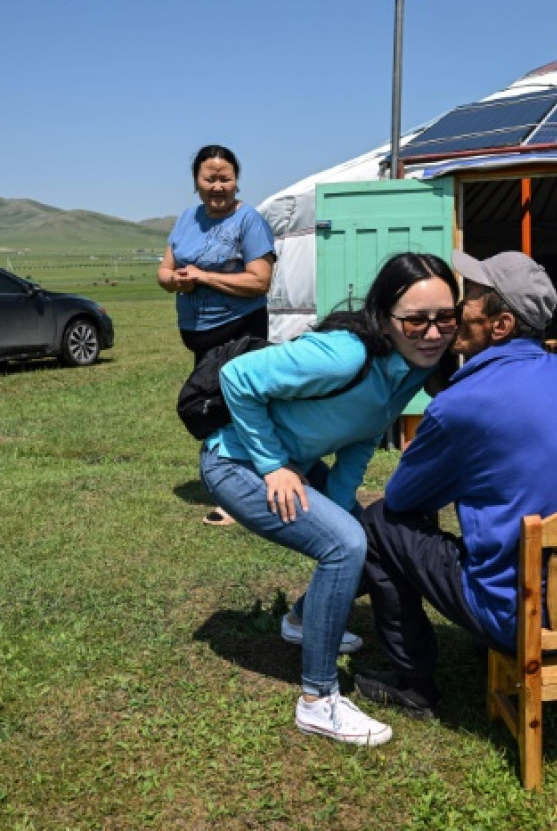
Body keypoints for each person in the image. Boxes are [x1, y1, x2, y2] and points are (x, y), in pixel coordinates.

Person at [199, 252, 461, 746]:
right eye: (416, 320)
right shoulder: (345, 354)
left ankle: (301, 619)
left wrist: (341, 506)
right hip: (235, 462)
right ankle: (318, 700)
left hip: (297, 465)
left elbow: (361, 439)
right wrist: (273, 464)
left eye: (445, 318)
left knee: (368, 537)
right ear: (385, 317)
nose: (433, 332)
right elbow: (239, 378)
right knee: (344, 545)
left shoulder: (407, 371)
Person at [351, 250, 557, 717]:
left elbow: (403, 498)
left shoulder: (463, 404)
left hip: (519, 616)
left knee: (379, 523)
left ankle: (415, 686)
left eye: (472, 296)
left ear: (501, 325)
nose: (458, 306)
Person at [158, 145, 276, 525]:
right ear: (196, 181)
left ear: (236, 179)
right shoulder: (186, 219)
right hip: (201, 334)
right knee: (213, 408)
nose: (218, 186)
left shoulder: (249, 221)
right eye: (210, 178)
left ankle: (243, 497)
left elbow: (260, 281)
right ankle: (236, 484)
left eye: (225, 178)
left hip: (239, 330)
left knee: (237, 411)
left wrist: (204, 276)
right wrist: (175, 280)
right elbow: (165, 269)